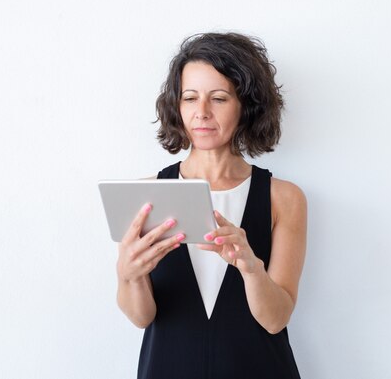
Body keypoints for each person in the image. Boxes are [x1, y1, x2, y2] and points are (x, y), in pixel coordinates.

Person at [116, 32, 307, 379]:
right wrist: (129, 276)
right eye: (190, 98)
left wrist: (251, 269)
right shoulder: (145, 195)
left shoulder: (283, 198)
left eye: (218, 98)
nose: (201, 113)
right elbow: (141, 317)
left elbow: (276, 318)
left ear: (246, 106)